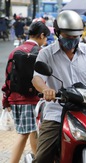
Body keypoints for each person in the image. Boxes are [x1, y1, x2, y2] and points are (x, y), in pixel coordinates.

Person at [31, 10, 86, 162]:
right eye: (68, 36)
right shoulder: (46, 54)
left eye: (76, 36)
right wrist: (46, 90)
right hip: (57, 112)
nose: (72, 40)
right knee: (41, 158)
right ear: (58, 33)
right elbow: (37, 79)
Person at [1, 21, 50, 163]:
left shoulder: (15, 51)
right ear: (41, 35)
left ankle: (38, 159)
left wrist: (6, 100)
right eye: (46, 37)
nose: (45, 40)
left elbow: (8, 78)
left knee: (32, 132)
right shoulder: (41, 53)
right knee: (24, 134)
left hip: (16, 99)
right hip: (32, 100)